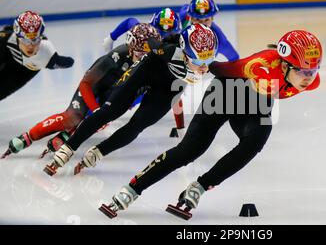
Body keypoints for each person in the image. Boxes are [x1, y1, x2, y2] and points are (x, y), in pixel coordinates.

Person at [98, 30, 323, 219]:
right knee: (190, 150)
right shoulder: (259, 65)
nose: (308, 78)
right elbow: (221, 69)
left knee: (256, 140)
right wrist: (188, 59)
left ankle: (199, 187)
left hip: (256, 102)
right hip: (227, 91)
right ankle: (132, 188)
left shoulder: (310, 81)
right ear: (284, 65)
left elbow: (279, 89)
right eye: (303, 71)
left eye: (312, 71)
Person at [44, 23, 219, 176]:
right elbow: (152, 43)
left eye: (209, 59)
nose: (204, 67)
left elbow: (229, 68)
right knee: (109, 112)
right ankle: (69, 147)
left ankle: (98, 152)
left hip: (168, 89)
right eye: (197, 60)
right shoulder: (169, 51)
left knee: (137, 126)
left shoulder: (205, 59)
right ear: (185, 52)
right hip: (147, 71)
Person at [1, 23, 158, 159]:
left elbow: (141, 92)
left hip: (114, 91)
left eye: (148, 54)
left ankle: (68, 134)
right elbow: (86, 84)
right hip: (92, 87)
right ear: (131, 47)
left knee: (98, 119)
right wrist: (96, 110)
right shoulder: (116, 56)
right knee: (72, 118)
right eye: (140, 54)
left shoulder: (152, 62)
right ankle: (28, 137)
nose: (144, 58)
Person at [102, 8, 187, 135]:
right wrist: (111, 37)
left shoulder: (171, 48)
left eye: (169, 34)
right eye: (159, 32)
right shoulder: (145, 32)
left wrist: (112, 37)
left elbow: (174, 94)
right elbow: (131, 22)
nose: (162, 37)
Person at [0, 11, 74, 101]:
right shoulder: (4, 39)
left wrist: (59, 61)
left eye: (35, 40)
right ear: (17, 37)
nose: (31, 45)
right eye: (26, 40)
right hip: (6, 54)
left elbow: (69, 62)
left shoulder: (47, 54)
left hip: (24, 72)